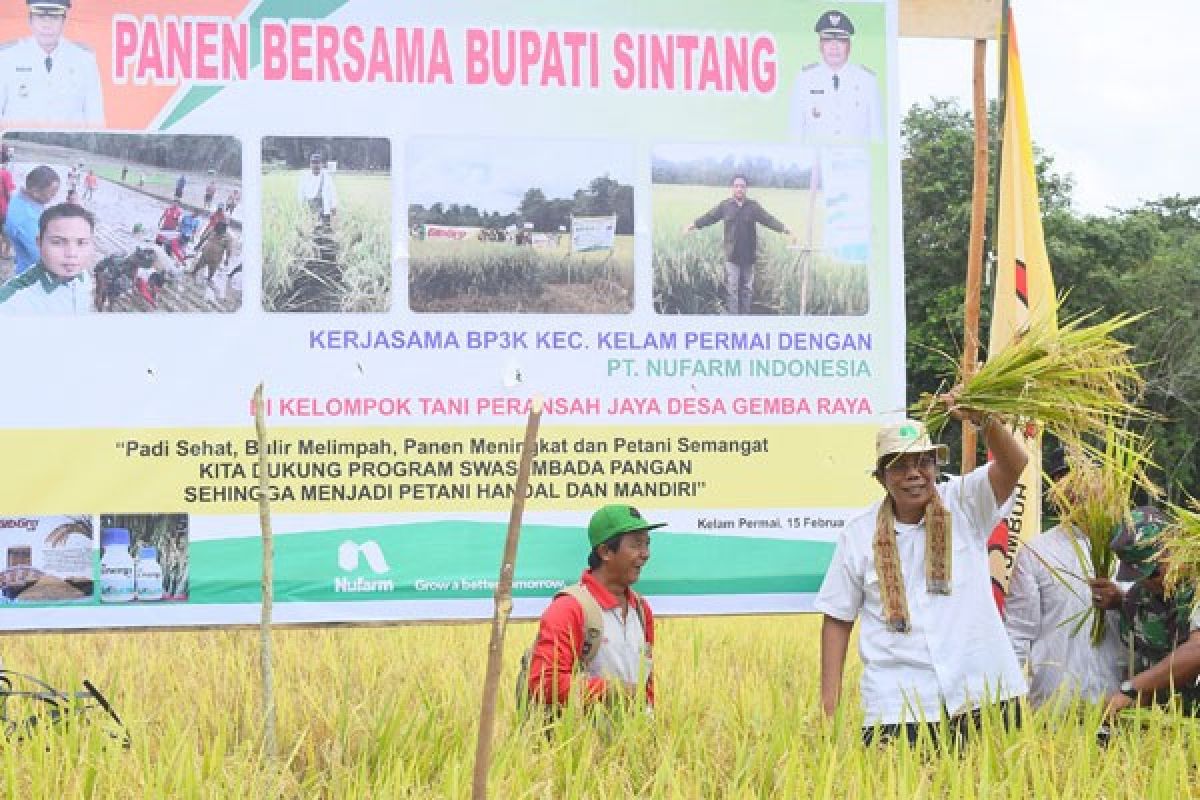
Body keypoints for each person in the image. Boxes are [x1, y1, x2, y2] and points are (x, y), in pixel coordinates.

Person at [817, 409, 1029, 747]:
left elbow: (1014, 464)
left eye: (923, 463)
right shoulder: (858, 534)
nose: (914, 474)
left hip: (982, 692)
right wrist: (830, 709)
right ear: (881, 477)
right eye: (900, 465)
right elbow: (838, 619)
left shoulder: (965, 503)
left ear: (935, 467)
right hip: (898, 703)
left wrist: (983, 419)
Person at [1004, 447, 1124, 709]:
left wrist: (1124, 601)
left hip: (1121, 705)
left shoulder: (1134, 549)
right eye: (1063, 481)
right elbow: (1018, 632)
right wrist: (1004, 700)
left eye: (1085, 479)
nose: (1074, 490)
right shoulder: (1037, 553)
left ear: (1106, 484)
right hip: (1054, 705)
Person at [525, 504, 661, 712]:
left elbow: (646, 685)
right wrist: (616, 690)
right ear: (605, 551)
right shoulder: (569, 608)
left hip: (636, 740)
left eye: (647, 544)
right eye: (636, 545)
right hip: (583, 740)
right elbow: (544, 683)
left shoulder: (641, 609)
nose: (646, 554)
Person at [1090, 508, 1200, 719]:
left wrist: (1131, 688)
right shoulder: (1137, 599)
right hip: (1170, 728)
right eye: (1140, 575)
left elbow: (1197, 650)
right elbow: (1139, 664)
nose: (1149, 583)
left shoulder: (1196, 585)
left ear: (1174, 549)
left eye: (1154, 573)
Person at [683, 175, 792, 315]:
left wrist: (785, 229)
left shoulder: (753, 206)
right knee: (732, 289)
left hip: (749, 256)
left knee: (747, 289)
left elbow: (768, 219)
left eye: (742, 186)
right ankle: (734, 319)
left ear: (746, 189)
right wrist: (691, 226)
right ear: (732, 188)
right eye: (737, 186)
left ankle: (745, 316)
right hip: (732, 256)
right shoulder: (725, 206)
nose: (739, 189)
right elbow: (709, 217)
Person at [0, 0, 104, 126]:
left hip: (67, 145)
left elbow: (96, 121)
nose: (47, 25)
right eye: (40, 17)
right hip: (18, 144)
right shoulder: (7, 58)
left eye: (54, 17)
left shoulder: (84, 60)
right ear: (30, 21)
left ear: (64, 21)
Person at [790, 10, 882, 142]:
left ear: (849, 46)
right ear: (820, 46)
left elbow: (876, 134)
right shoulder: (804, 79)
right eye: (827, 40)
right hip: (817, 161)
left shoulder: (867, 80)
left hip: (856, 160)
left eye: (841, 40)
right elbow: (795, 133)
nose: (834, 47)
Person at [0, 201, 94, 313]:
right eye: (58, 242)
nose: (72, 253)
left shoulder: (83, 276)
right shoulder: (11, 302)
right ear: (39, 242)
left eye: (81, 243)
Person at [3, 164, 59, 276]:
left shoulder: (18, 199)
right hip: (33, 273)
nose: (54, 196)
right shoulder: (28, 219)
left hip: (22, 262)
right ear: (35, 191)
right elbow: (42, 256)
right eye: (52, 192)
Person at [297, 152, 338, 227]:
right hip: (311, 210)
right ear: (310, 164)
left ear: (321, 164)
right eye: (313, 163)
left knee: (325, 231)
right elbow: (301, 193)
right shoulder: (305, 177)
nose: (316, 165)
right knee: (312, 231)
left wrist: (334, 206)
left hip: (325, 211)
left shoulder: (327, 176)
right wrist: (301, 208)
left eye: (318, 163)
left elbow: (332, 192)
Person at [0, 149, 16, 260]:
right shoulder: (5, 174)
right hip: (3, 209)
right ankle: (5, 253)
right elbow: (10, 194)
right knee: (7, 231)